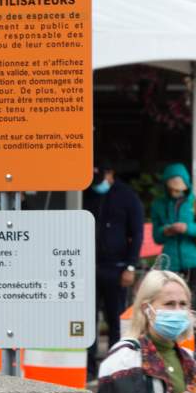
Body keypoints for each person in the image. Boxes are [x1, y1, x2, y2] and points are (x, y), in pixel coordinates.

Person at [84, 160, 144, 376]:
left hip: (117, 268)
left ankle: (115, 367)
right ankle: (89, 368)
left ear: (111, 173)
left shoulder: (127, 196)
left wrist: (130, 266)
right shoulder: (87, 193)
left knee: (115, 320)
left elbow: (137, 234)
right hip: (89, 267)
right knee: (88, 319)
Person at [150, 163, 196, 311]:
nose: (175, 191)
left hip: (195, 263)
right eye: (172, 187)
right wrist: (165, 231)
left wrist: (187, 228)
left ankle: (192, 335)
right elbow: (156, 238)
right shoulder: (159, 205)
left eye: (179, 188)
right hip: (170, 264)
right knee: (170, 304)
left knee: (193, 306)